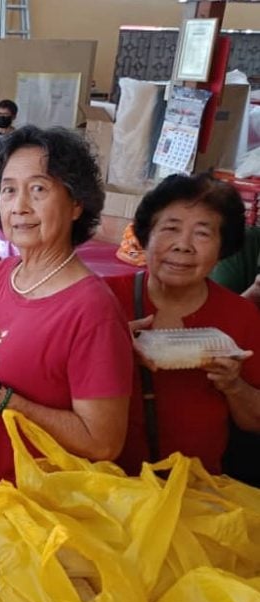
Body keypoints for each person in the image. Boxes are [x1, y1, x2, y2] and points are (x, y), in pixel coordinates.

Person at [0, 126, 133, 490]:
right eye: (8, 190)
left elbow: (103, 442)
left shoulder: (92, 309)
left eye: (38, 189)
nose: (19, 206)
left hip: (33, 509)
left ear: (76, 203)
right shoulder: (3, 274)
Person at [103, 174, 260, 475]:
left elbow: (254, 422)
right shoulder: (103, 299)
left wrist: (234, 385)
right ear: (145, 236)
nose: (183, 246)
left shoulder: (240, 315)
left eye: (202, 234)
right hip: (107, 486)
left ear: (222, 249)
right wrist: (110, 344)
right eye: (171, 229)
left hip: (196, 491)